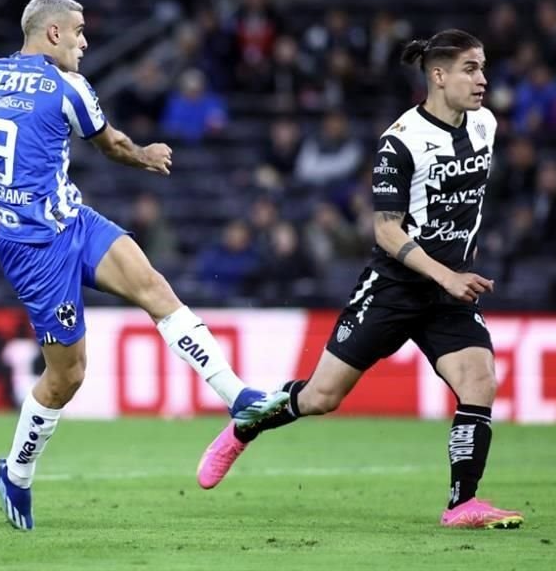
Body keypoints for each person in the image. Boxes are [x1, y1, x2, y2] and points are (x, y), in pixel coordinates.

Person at [0, 0, 289, 530]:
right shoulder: (68, 88)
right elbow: (110, 143)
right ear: (52, 35)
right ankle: (16, 475)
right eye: (79, 31)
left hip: (72, 222)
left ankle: (238, 398)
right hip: (35, 252)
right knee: (67, 375)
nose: (85, 41)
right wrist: (143, 155)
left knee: (153, 286)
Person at [195, 29, 525, 530]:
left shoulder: (485, 125)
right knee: (322, 398)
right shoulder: (401, 141)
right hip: (393, 285)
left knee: (479, 381)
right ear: (438, 76)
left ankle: (462, 504)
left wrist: (455, 270)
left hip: (448, 290)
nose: (483, 79)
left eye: (482, 67)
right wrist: (446, 273)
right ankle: (249, 422)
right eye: (471, 69)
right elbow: (387, 232)